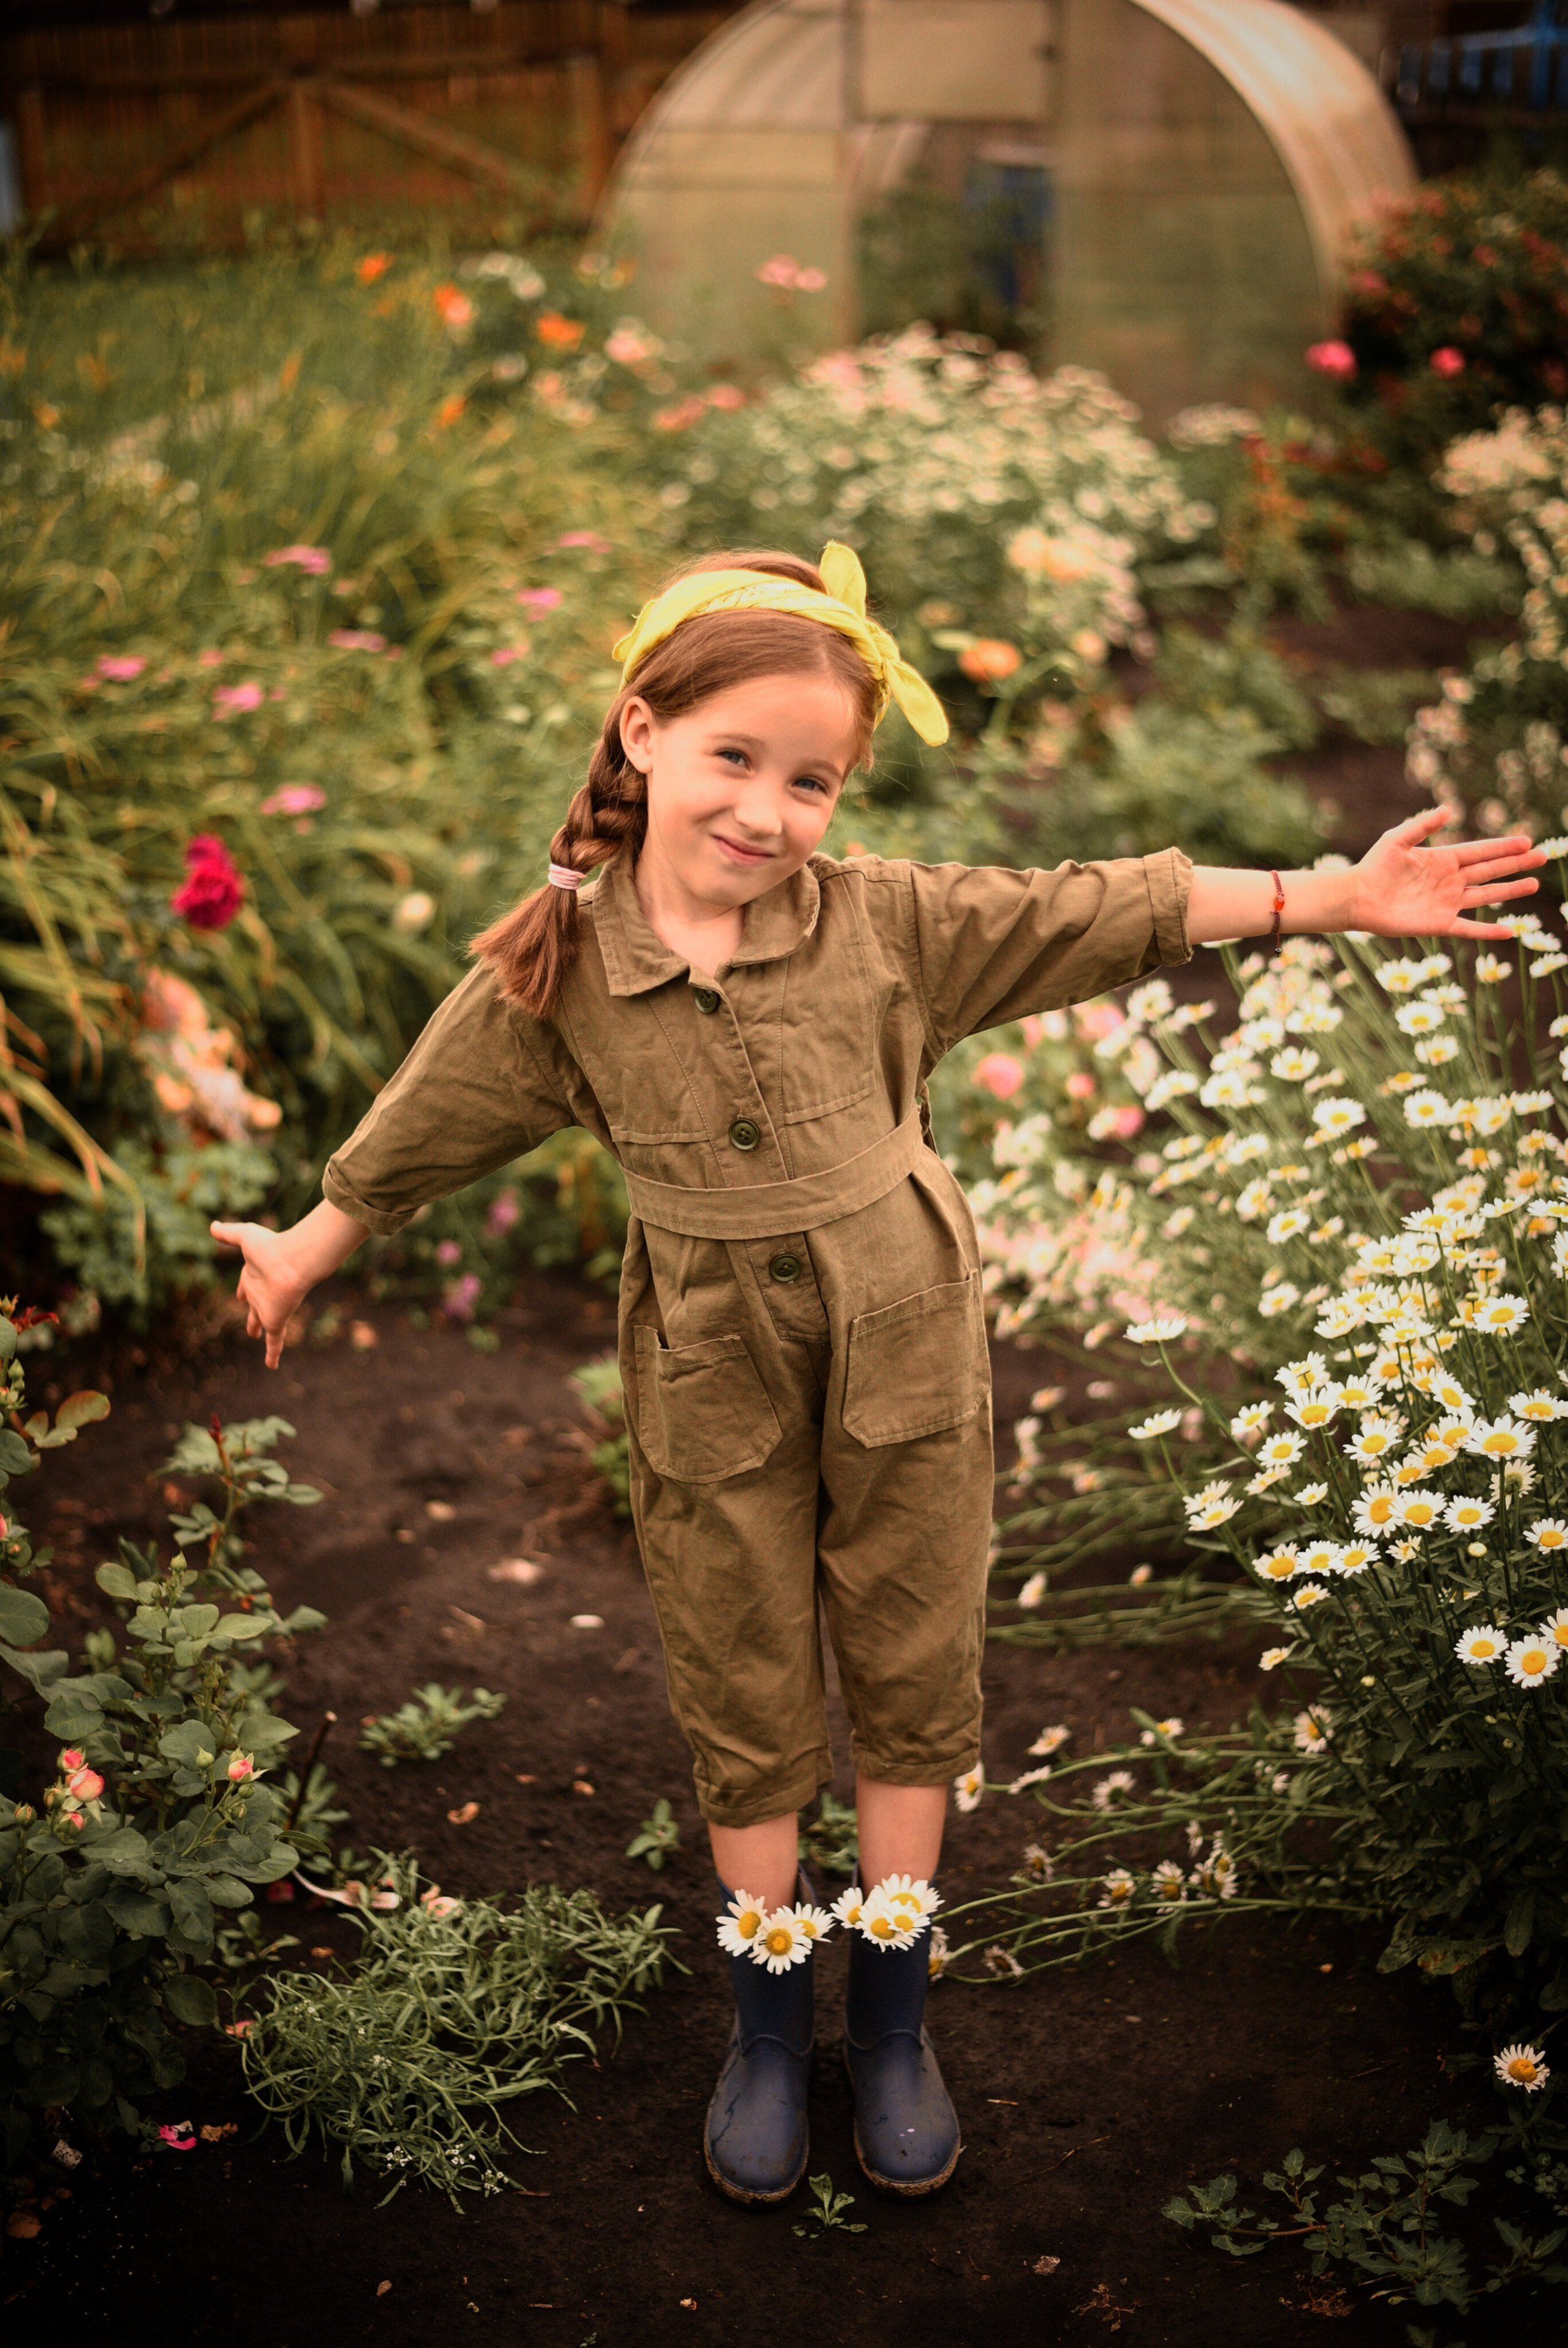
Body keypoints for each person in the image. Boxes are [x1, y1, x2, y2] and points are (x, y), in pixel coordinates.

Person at [212, 544, 1544, 2207]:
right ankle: (773, 2027)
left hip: (908, 1347)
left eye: (812, 778)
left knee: (912, 1679)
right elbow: (430, 1113)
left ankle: (896, 2016)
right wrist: (309, 1241)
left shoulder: (888, 925)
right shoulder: (566, 963)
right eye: (734, 759)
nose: (769, 809)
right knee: (747, 1693)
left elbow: (1101, 905)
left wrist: (1325, 897)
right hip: (712, 1384)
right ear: (641, 733)